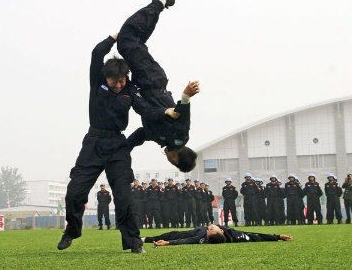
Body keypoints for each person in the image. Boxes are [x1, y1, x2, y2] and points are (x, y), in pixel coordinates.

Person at [57, 32, 170, 254]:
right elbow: (97, 52)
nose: (118, 84)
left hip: (118, 146)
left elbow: (144, 109)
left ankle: (133, 241)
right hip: (93, 143)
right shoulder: (97, 81)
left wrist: (165, 112)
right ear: (105, 77)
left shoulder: (130, 89)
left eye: (121, 80)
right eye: (113, 81)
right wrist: (115, 37)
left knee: (124, 196)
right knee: (74, 192)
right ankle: (73, 229)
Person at [118, 0, 200, 173]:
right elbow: (183, 116)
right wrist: (186, 96)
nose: (168, 160)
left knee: (137, 40)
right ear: (176, 159)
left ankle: (158, 2)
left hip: (144, 83)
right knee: (126, 40)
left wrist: (124, 148)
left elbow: (142, 133)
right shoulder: (180, 135)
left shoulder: (160, 138)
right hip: (151, 80)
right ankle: (162, 0)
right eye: (172, 162)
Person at [141, 224, 292, 246]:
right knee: (173, 233)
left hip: (194, 231)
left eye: (210, 228)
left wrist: (168, 243)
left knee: (173, 235)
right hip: (199, 231)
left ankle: (143, 240)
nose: (210, 226)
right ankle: (145, 239)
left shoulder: (201, 237)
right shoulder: (235, 235)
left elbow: (186, 240)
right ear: (221, 231)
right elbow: (256, 236)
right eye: (211, 227)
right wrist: (277, 236)